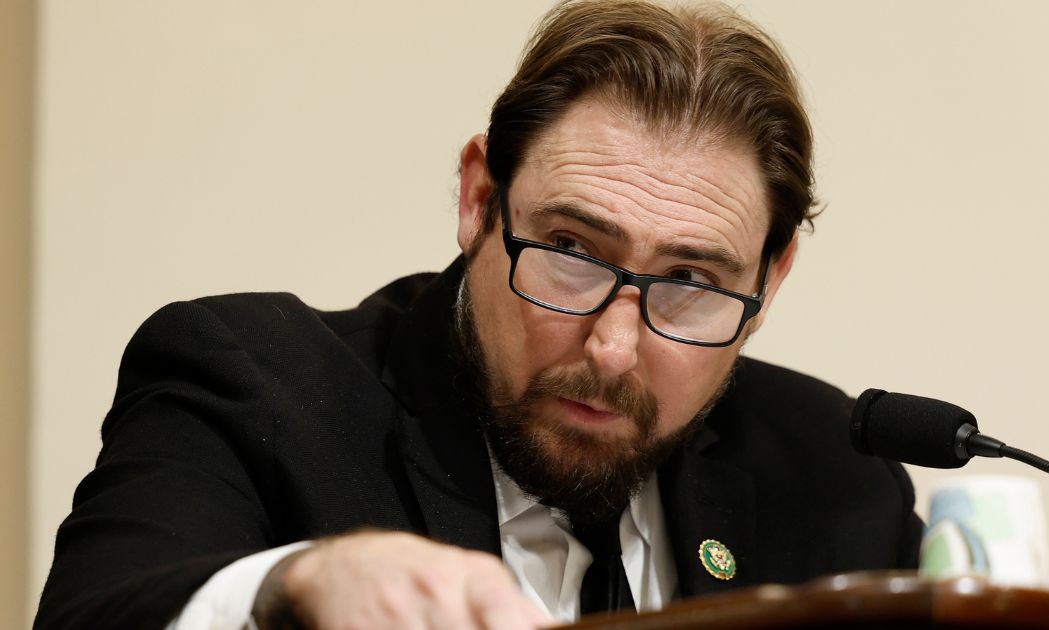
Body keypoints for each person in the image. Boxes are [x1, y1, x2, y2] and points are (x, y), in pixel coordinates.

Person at [35, 1, 922, 628]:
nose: (615, 348)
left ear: (769, 281)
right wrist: (291, 588)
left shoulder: (834, 478)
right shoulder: (252, 382)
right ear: (479, 200)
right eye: (573, 251)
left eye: (690, 278)